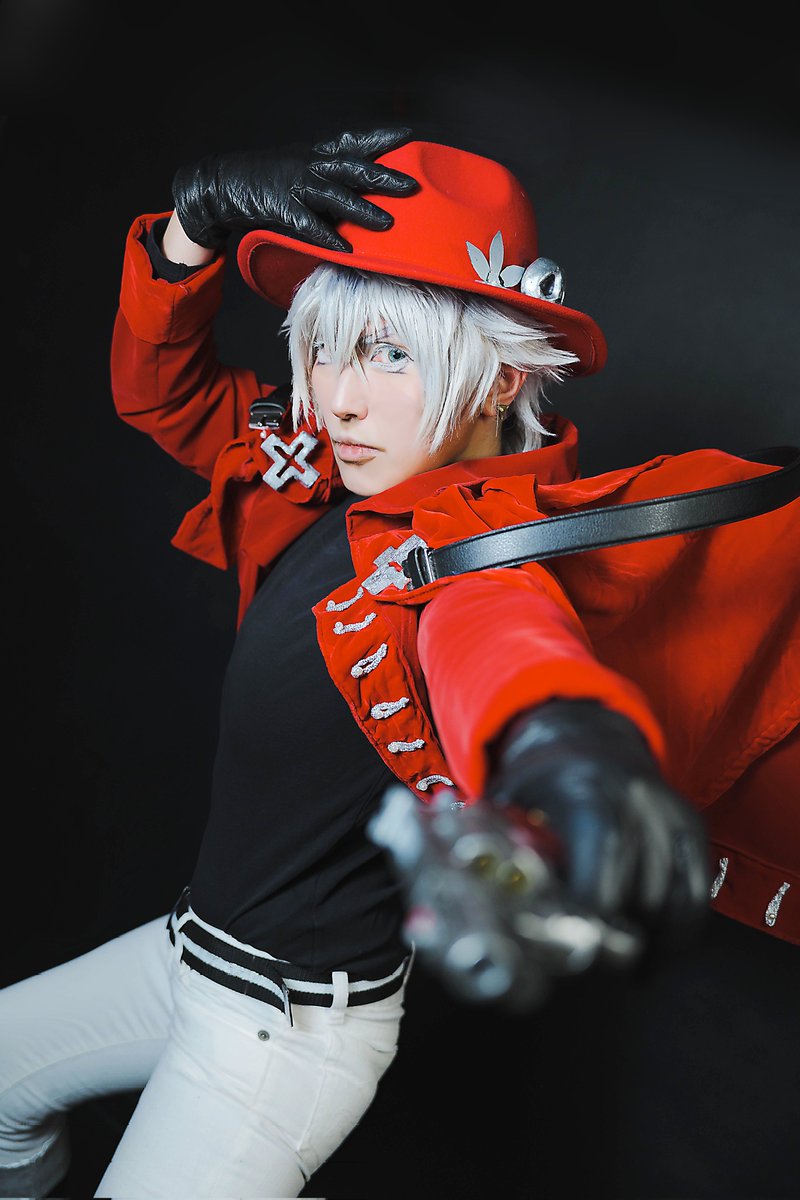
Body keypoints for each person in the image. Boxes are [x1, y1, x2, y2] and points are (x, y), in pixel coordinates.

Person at [0, 125, 797, 1199]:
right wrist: (193, 225)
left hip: (279, 1036)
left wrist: (559, 736)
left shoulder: (479, 555)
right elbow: (164, 397)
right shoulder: (320, 474)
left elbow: (499, 640)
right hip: (189, 951)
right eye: (325, 345)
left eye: (388, 353)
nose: (338, 396)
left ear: (496, 379)